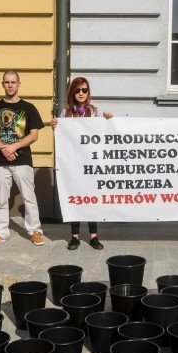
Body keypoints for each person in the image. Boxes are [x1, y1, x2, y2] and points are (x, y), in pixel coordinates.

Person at [0, 70, 46, 246]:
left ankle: (35, 230)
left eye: (13, 82)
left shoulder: (29, 107)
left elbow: (34, 135)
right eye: (7, 82)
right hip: (0, 160)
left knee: (29, 196)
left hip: (23, 159)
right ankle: (0, 232)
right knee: (1, 198)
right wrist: (3, 148)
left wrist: (14, 147)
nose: (10, 85)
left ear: (19, 84)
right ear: (2, 84)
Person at [50, 76, 114, 250]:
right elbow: (61, 136)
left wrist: (108, 117)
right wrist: (55, 125)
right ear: (73, 92)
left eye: (84, 90)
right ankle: (75, 236)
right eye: (77, 90)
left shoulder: (94, 111)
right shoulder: (66, 113)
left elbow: (105, 128)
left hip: (91, 163)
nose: (81, 93)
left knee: (92, 199)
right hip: (73, 164)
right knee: (74, 198)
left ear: (88, 92)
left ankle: (93, 236)